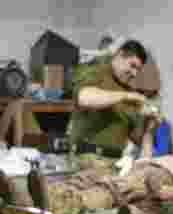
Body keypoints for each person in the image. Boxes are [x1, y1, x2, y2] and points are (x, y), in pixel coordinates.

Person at [0, 155, 173, 214]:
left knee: (114, 188)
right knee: (90, 175)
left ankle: (59, 204)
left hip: (165, 180)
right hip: (142, 167)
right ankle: (26, 198)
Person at [67, 40, 160, 173]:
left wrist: (149, 127)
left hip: (115, 163)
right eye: (132, 66)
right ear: (120, 55)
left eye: (138, 69)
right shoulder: (96, 71)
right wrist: (125, 96)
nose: (134, 73)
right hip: (88, 159)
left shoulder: (130, 93)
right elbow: (84, 98)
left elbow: (138, 140)